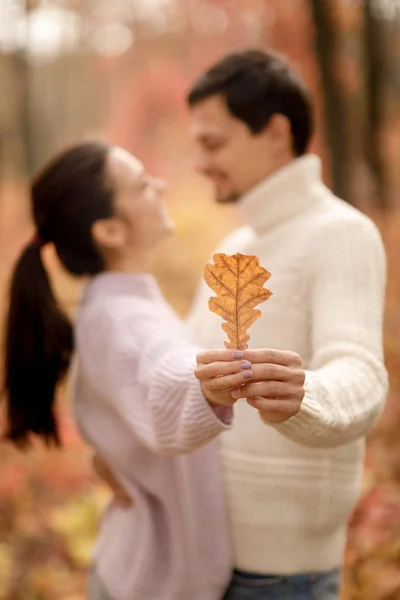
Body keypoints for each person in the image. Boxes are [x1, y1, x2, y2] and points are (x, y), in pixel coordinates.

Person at [2, 140, 305, 600]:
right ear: (109, 230)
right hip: (151, 584)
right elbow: (162, 370)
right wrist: (206, 386)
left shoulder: (119, 303)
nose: (160, 185)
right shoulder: (124, 319)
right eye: (143, 184)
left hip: (138, 572)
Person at [185, 49, 388, 599]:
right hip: (202, 558)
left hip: (282, 577)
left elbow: (362, 373)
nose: (200, 162)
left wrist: (307, 395)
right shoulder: (233, 247)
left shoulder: (341, 233)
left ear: (275, 133)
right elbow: (184, 375)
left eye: (213, 143)